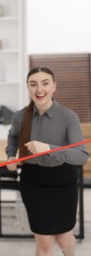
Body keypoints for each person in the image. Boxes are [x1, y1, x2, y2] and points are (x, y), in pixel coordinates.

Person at [6, 67, 89, 256]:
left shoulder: (69, 117)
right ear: (27, 88)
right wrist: (11, 156)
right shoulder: (20, 116)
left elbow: (81, 156)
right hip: (32, 181)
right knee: (43, 241)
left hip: (62, 181)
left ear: (54, 87)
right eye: (33, 84)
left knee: (63, 238)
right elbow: (12, 139)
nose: (39, 89)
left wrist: (50, 149)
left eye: (45, 83)